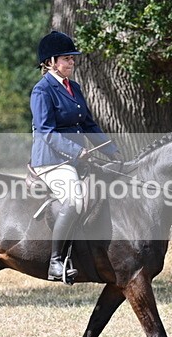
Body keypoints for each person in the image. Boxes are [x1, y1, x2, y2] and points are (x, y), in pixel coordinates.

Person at [30, 31, 121, 281]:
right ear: (50, 62)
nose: (72, 63)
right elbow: (47, 132)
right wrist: (76, 151)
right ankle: (56, 262)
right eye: (66, 59)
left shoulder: (74, 88)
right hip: (51, 161)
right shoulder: (42, 90)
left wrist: (112, 152)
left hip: (76, 159)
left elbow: (89, 125)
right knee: (76, 199)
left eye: (72, 59)